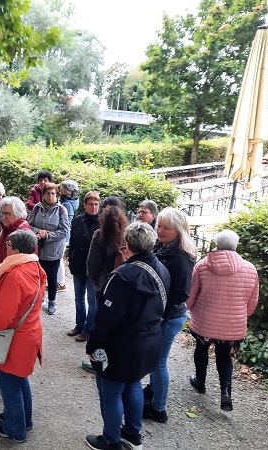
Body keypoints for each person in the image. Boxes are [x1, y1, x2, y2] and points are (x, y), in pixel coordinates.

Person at [85, 222, 170, 450]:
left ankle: (111, 440)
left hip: (120, 347)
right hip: (149, 342)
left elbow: (105, 318)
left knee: (110, 392)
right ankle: (133, 434)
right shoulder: (162, 270)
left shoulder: (122, 276)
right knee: (133, 386)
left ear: (128, 244)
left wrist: (93, 346)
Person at [187, 230, 259, 412]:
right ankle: (225, 391)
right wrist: (242, 315)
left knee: (201, 349)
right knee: (224, 355)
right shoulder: (250, 269)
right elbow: (252, 302)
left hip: (205, 321)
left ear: (217, 246)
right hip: (233, 325)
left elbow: (191, 295)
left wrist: (193, 310)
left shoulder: (202, 266)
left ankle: (200, 381)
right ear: (236, 246)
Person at [0, 229, 47, 443]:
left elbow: (4, 316)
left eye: (7, 245)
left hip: (15, 339)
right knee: (20, 380)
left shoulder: (15, 274)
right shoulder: (35, 266)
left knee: (9, 384)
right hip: (29, 334)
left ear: (16, 249)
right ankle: (25, 419)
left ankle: (15, 429)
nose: (5, 248)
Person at [143, 207, 196, 424]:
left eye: (166, 228)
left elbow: (181, 293)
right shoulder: (162, 246)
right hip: (162, 314)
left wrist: (157, 310)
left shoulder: (181, 256)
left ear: (179, 230)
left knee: (158, 363)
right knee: (155, 360)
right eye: (159, 226)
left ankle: (159, 408)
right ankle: (153, 390)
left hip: (169, 316)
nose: (161, 230)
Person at [83, 202, 128, 372]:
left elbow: (92, 264)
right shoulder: (126, 236)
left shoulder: (99, 236)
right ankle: (116, 356)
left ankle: (98, 358)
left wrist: (95, 281)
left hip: (103, 286)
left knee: (101, 322)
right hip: (122, 285)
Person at [28, 182, 69, 315]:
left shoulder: (61, 209)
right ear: (43, 195)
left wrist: (48, 235)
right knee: (38, 276)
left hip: (53, 250)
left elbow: (64, 231)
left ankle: (52, 301)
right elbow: (29, 225)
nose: (51, 196)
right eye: (48, 193)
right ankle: (39, 298)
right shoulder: (37, 208)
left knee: (51, 277)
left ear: (56, 195)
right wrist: (39, 231)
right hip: (37, 249)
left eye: (53, 193)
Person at [67, 191, 101, 343]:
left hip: (93, 269)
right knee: (78, 298)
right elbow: (73, 241)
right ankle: (79, 325)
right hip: (78, 265)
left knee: (92, 302)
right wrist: (71, 257)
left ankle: (88, 329)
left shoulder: (103, 222)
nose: (94, 207)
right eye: (91, 204)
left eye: (96, 204)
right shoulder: (78, 220)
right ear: (85, 205)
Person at [57, 179, 79, 291]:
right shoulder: (73, 201)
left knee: (59, 258)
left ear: (68, 190)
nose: (60, 189)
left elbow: (65, 221)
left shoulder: (67, 204)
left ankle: (61, 283)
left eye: (63, 188)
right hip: (65, 235)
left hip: (63, 236)